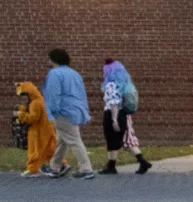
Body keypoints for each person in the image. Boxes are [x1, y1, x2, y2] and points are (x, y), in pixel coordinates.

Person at [40, 50, 95, 180]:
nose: (48, 61)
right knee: (62, 140)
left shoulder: (54, 74)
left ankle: (86, 169)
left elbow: (54, 94)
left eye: (49, 59)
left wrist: (53, 111)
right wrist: (85, 112)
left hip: (63, 111)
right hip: (75, 110)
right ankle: (55, 167)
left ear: (54, 60)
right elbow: (82, 94)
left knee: (74, 140)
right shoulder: (75, 74)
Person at [99, 59, 150, 175]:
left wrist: (114, 119)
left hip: (113, 114)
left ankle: (112, 166)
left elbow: (114, 103)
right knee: (124, 139)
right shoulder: (125, 83)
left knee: (112, 139)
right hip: (124, 114)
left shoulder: (111, 85)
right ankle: (141, 162)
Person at [14, 81, 55, 176]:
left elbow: (33, 118)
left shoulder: (35, 103)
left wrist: (21, 115)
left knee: (34, 150)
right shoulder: (41, 100)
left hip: (37, 131)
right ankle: (62, 164)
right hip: (48, 129)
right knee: (50, 150)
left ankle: (32, 169)